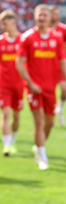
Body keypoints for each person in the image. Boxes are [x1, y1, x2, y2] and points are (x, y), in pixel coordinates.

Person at [16, 4, 66, 170]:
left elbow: (62, 61)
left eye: (45, 15)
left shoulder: (57, 38)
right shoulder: (27, 37)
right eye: (40, 15)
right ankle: (42, 157)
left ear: (50, 17)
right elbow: (19, 64)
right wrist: (31, 83)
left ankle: (39, 146)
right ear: (35, 17)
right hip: (34, 87)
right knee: (38, 122)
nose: (42, 18)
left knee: (49, 122)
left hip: (50, 87)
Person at [0, 10, 24, 156]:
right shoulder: (0, 41)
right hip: (4, 84)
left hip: (20, 84)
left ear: (13, 23)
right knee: (6, 114)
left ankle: (13, 140)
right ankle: (7, 146)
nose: (2, 26)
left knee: (16, 116)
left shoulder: (23, 40)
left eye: (5, 23)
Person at [49, 5, 66, 126]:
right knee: (49, 91)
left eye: (58, 13)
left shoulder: (63, 29)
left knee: (65, 89)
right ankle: (50, 114)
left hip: (62, 63)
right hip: (48, 64)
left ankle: (60, 109)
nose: (57, 16)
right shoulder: (44, 28)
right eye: (55, 14)